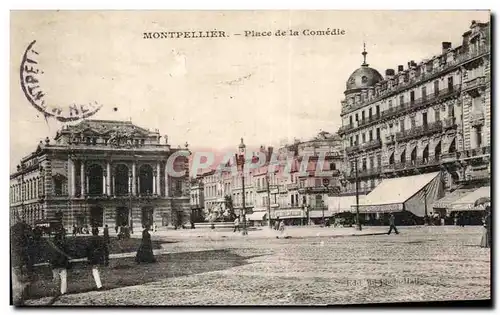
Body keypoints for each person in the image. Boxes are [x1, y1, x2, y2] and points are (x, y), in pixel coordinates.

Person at [48, 226, 71, 296]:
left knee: (56, 278)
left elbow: (50, 254)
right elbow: (67, 253)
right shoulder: (64, 245)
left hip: (55, 263)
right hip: (62, 263)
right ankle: (63, 292)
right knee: (63, 278)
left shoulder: (53, 245)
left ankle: (55, 292)